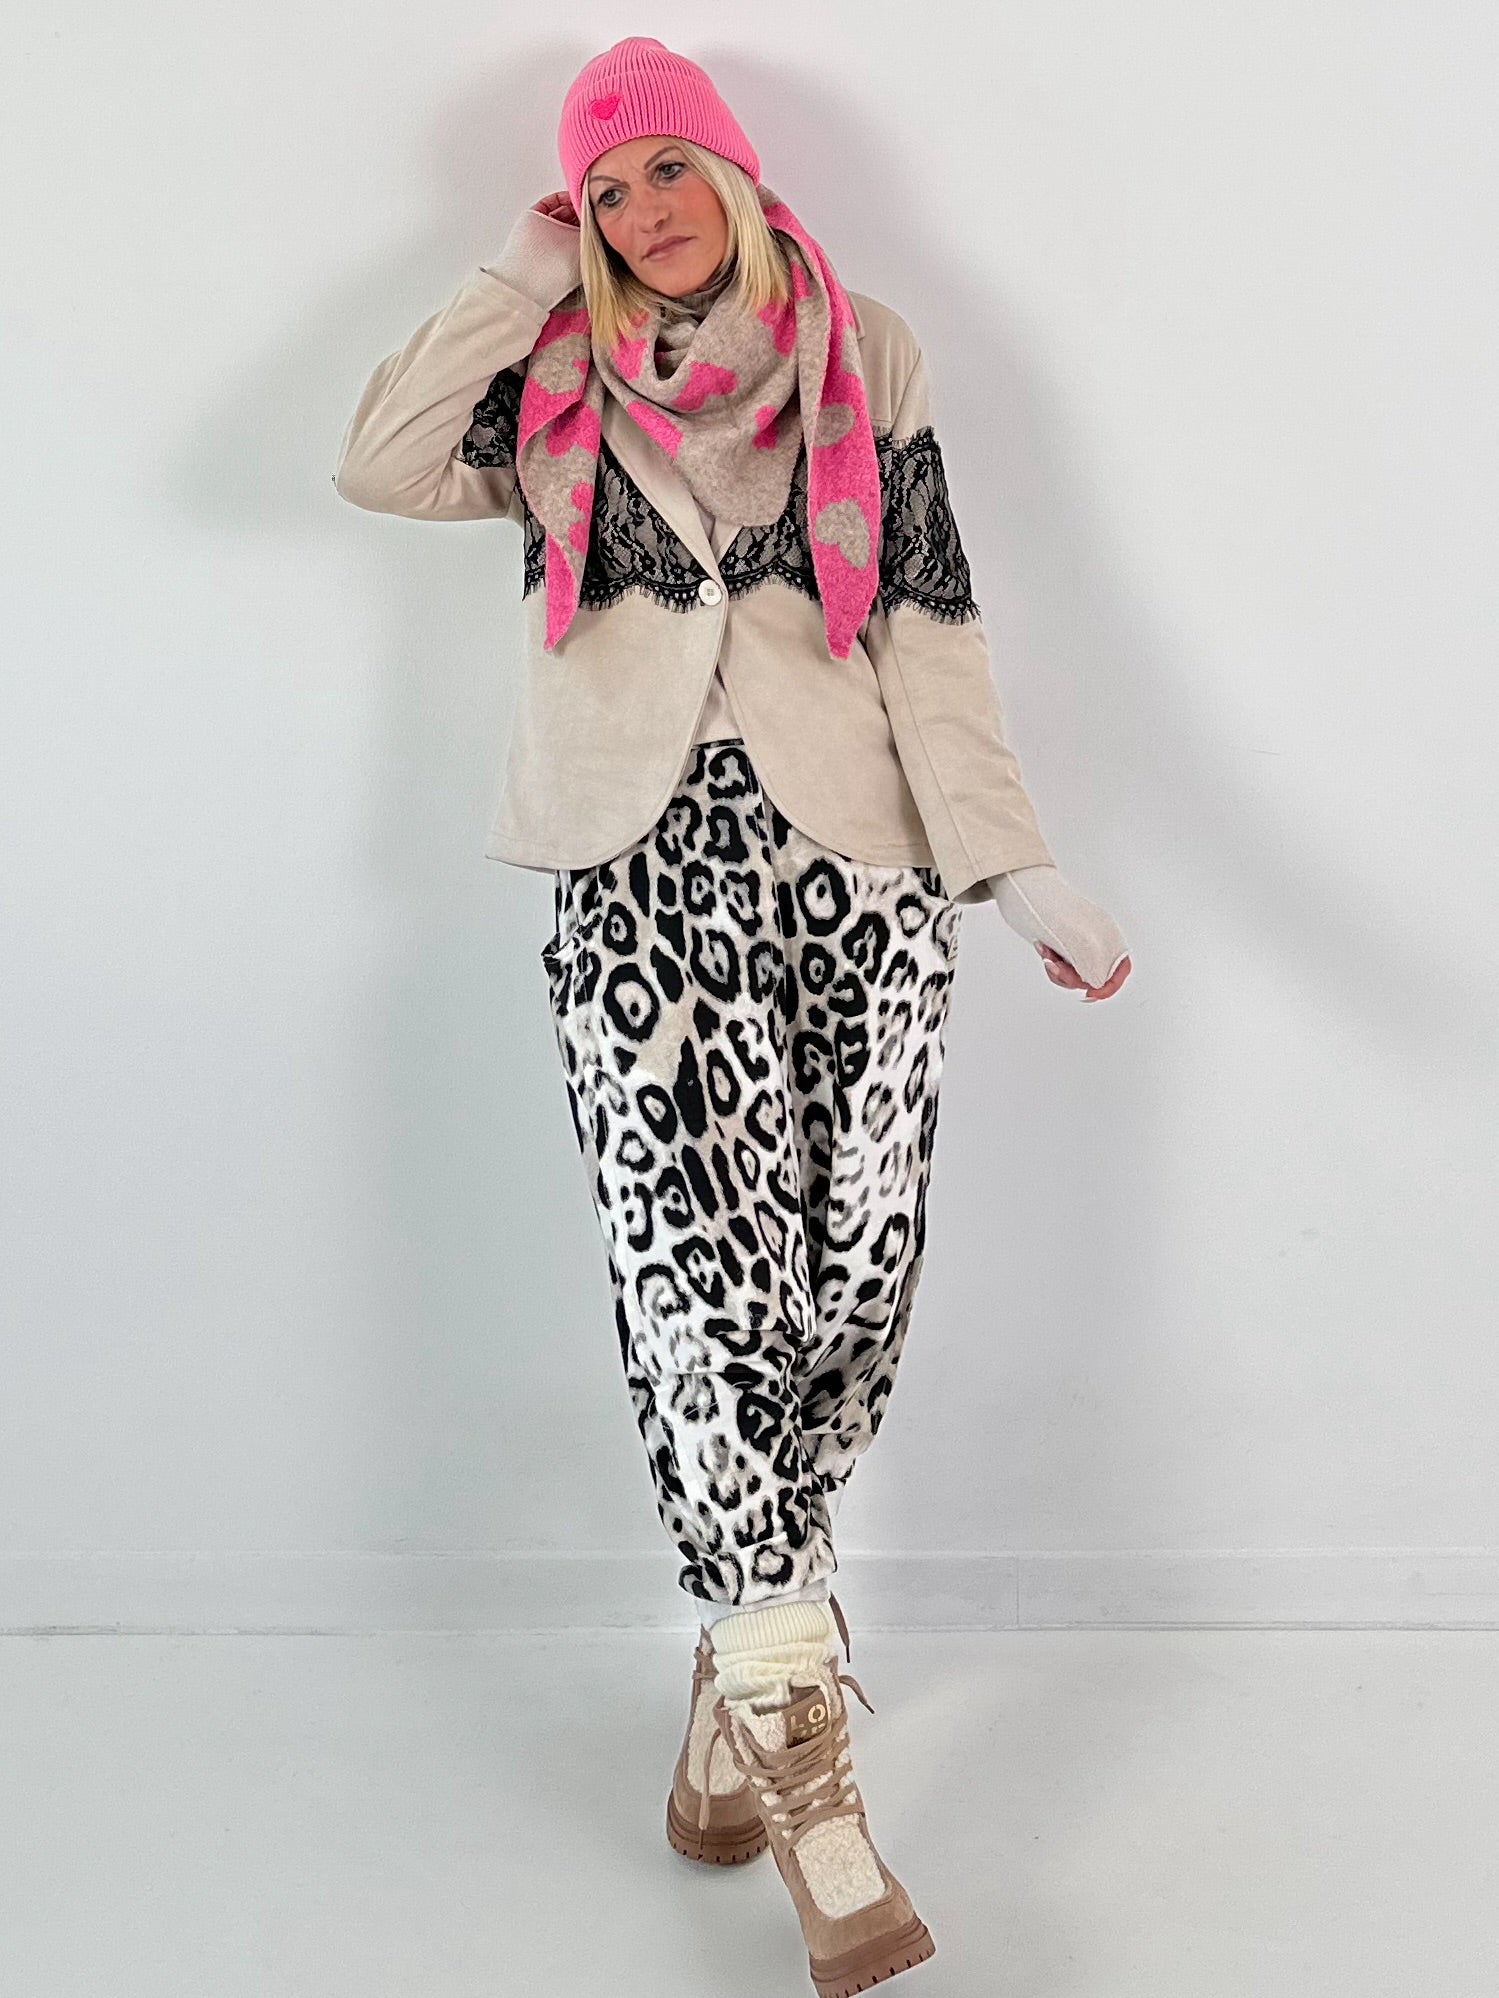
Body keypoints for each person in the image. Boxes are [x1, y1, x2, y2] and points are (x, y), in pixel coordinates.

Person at [335, 35, 1131, 1997]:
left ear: (736, 173)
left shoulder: (866, 353)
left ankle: (730, 1670)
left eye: (665, 170)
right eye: (603, 190)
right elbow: (377, 458)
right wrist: (518, 275)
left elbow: (930, 624)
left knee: (851, 1293)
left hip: (864, 865)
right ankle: (802, 1747)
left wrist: (1013, 867)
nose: (640, 212)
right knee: (700, 1293)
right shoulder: (549, 373)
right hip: (634, 869)